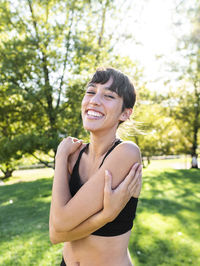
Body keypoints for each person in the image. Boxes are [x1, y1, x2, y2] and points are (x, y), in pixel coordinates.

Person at [49, 67, 142, 266]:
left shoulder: (127, 152)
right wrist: (105, 216)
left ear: (125, 114)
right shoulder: (72, 156)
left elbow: (62, 224)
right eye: (91, 92)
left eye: (108, 95)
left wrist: (61, 159)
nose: (94, 100)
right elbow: (55, 234)